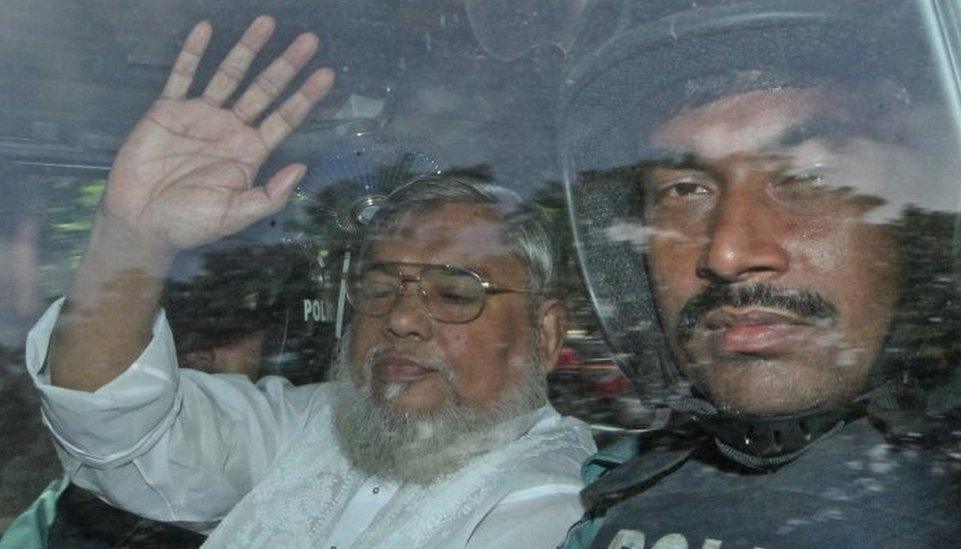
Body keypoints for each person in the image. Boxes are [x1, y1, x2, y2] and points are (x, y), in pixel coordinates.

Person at [19, 16, 594, 548]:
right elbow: (115, 428)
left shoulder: (555, 509)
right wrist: (131, 238)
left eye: (454, 292)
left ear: (544, 334)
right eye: (379, 286)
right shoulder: (318, 425)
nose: (400, 318)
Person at [557, 1, 961, 547]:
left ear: (921, 225)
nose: (727, 254)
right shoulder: (617, 493)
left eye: (808, 176)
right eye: (685, 190)